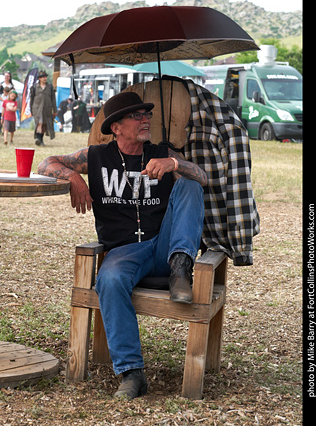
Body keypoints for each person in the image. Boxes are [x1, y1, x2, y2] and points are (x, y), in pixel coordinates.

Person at [38, 91, 207, 400]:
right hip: (124, 252)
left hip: (166, 246)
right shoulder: (96, 157)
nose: (145, 120)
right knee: (110, 278)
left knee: (189, 183)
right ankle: (132, 373)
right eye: (137, 116)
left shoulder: (161, 152)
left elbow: (203, 177)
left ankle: (182, 267)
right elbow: (45, 163)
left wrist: (173, 163)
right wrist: (74, 177)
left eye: (147, 115)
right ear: (115, 127)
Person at [30, 70, 57, 146]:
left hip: (47, 109)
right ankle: (39, 139)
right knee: (39, 123)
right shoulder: (35, 87)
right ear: (39, 78)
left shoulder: (50, 87)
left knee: (45, 124)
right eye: (43, 77)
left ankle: (40, 140)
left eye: (45, 77)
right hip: (37, 109)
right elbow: (31, 99)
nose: (45, 78)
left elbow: (53, 99)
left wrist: (55, 110)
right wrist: (31, 109)